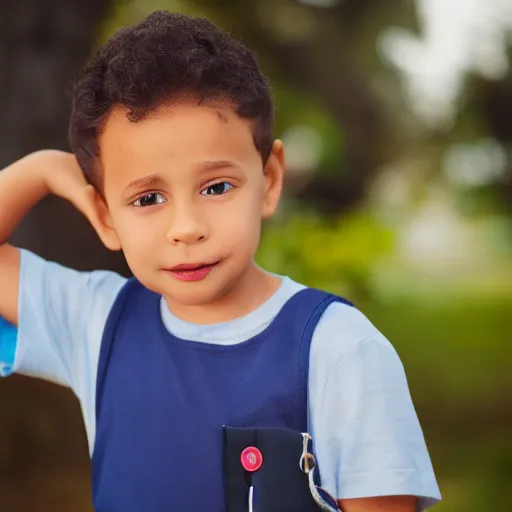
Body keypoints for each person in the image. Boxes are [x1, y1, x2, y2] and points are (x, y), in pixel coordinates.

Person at [0, 11, 441, 512]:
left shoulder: (339, 348)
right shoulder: (97, 322)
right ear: (105, 215)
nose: (186, 227)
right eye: (148, 198)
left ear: (269, 180)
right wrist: (40, 170)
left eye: (216, 187)